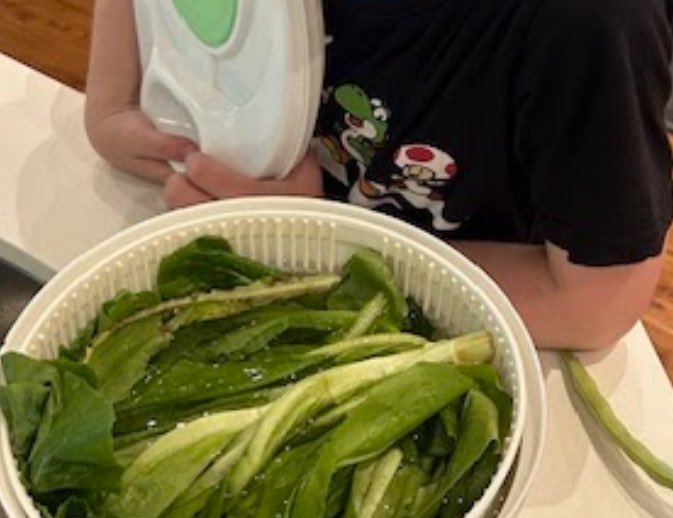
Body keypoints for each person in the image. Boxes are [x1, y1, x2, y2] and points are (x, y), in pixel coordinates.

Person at [85, 0, 673, 351]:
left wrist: (314, 242)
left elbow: (597, 305)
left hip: (444, 321)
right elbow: (118, 112)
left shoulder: (587, 26)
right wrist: (127, 117)